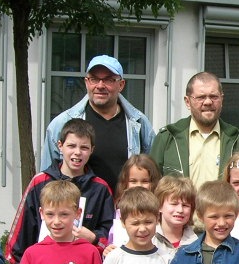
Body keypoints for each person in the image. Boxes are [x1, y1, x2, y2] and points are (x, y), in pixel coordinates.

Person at [6, 118, 114, 264]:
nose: (77, 152)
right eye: (71, 146)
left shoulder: (100, 188)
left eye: (84, 147)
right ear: (60, 146)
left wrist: (94, 238)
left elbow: (111, 235)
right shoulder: (40, 182)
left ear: (91, 150)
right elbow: (22, 234)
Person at [42, 54, 156, 193]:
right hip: (77, 208)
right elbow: (47, 178)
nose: (100, 86)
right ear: (86, 82)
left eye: (108, 80)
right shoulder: (62, 123)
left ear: (121, 85)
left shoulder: (139, 123)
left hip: (126, 210)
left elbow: (152, 173)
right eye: (94, 79)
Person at [150, 72, 239, 185]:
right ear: (187, 102)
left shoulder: (238, 141)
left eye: (214, 97)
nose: (208, 102)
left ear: (221, 99)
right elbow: (152, 185)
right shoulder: (167, 139)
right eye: (201, 97)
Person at [106, 154, 161, 251]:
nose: (139, 185)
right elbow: (112, 240)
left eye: (145, 181)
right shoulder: (120, 211)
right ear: (125, 183)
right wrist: (108, 251)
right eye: (133, 181)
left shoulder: (160, 211)